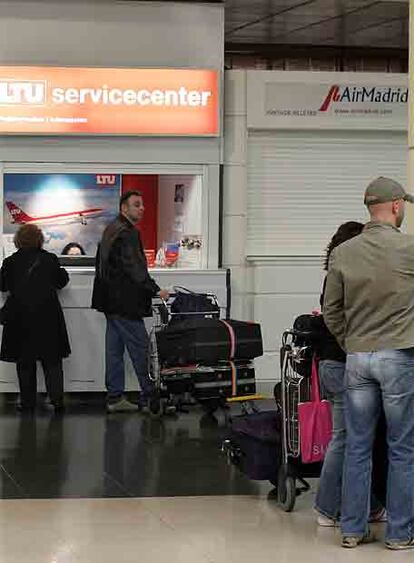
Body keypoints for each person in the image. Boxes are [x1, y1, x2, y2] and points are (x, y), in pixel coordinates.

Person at [324, 177, 414, 550]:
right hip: (399, 357)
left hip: (357, 358)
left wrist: (353, 343)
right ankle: (399, 533)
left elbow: (331, 310)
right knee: (402, 447)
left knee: (357, 445)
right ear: (395, 206)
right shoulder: (410, 247)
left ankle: (352, 529)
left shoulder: (344, 252)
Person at [314, 221, 386, 527]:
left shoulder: (334, 276)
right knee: (349, 440)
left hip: (331, 365)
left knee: (351, 440)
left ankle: (363, 506)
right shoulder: (354, 278)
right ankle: (328, 507)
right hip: (345, 364)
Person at [92, 191, 168, 414]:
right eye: (137, 205)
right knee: (141, 349)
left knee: (114, 350)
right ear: (124, 208)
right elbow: (135, 269)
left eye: (142, 204)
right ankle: (150, 398)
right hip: (125, 304)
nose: (142, 208)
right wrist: (156, 290)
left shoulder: (111, 229)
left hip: (109, 303)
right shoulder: (128, 233)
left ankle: (115, 397)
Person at [0, 224, 70, 414]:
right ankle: (57, 401)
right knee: (52, 361)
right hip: (48, 318)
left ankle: (27, 402)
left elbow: (3, 286)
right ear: (39, 239)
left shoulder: (10, 262)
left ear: (18, 240)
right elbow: (62, 281)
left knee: (25, 362)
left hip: (20, 319)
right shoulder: (49, 259)